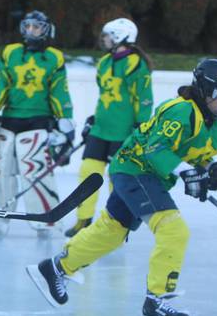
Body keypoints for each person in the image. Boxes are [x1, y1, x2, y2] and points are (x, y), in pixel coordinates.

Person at [26, 59, 217, 316]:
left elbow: (196, 155)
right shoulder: (180, 111)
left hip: (151, 176)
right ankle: (156, 303)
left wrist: (212, 170)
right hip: (135, 169)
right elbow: (155, 147)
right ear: (208, 91)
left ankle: (56, 267)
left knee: (112, 231)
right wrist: (187, 173)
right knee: (174, 231)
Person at [0, 10, 74, 235]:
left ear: (46, 30)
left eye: (36, 26)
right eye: (28, 26)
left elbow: (59, 90)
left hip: (38, 122)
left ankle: (46, 220)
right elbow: (1, 85)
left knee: (35, 170)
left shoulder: (54, 57)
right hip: (8, 120)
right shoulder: (11, 52)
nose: (31, 30)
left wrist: (65, 120)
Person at [65, 18, 154, 238]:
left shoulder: (136, 64)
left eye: (108, 35)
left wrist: (140, 126)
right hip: (101, 130)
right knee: (88, 173)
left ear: (121, 37)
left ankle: (117, 225)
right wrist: (94, 118)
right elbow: (106, 96)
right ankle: (83, 220)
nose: (104, 39)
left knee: (118, 181)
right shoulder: (104, 62)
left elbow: (144, 99)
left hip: (123, 132)